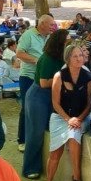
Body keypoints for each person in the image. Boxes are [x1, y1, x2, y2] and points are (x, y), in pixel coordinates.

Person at [44, 43, 91, 181]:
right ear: (68, 59)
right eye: (75, 56)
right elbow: (55, 103)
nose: (79, 58)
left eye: (81, 55)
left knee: (73, 136)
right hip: (61, 116)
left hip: (80, 117)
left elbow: (90, 103)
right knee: (55, 152)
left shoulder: (88, 77)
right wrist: (68, 119)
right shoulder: (59, 76)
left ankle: (76, 177)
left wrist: (78, 119)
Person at [23, 28, 67, 180]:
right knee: (35, 133)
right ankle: (30, 168)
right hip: (38, 97)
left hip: (50, 97)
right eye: (67, 41)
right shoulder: (48, 58)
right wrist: (61, 80)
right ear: (59, 43)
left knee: (49, 130)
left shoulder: (62, 57)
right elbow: (43, 83)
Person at [16, 14, 53, 155]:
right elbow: (19, 53)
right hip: (28, 76)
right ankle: (22, 140)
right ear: (42, 24)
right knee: (26, 108)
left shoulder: (49, 37)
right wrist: (37, 61)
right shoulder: (28, 35)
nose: (52, 27)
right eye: (50, 25)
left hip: (43, 78)